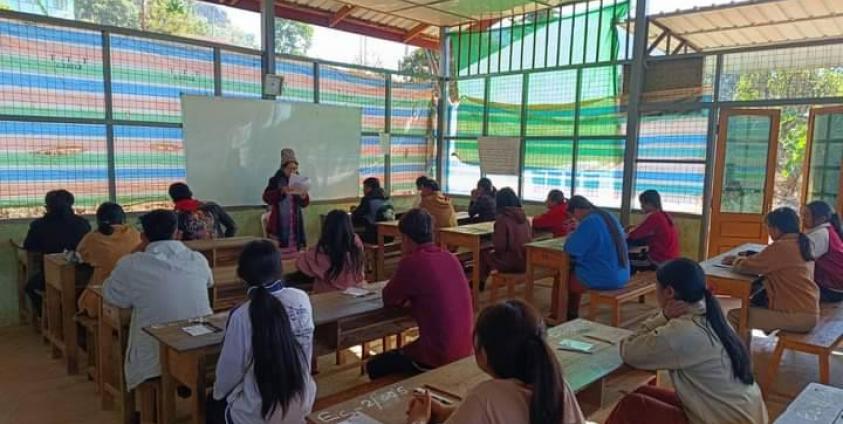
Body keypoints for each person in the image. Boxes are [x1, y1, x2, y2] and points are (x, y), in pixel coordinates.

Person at [606, 258, 767, 424]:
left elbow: (629, 351)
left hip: (723, 419)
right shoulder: (713, 316)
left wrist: (663, 317)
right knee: (640, 392)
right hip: (740, 414)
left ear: (669, 292)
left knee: (632, 406)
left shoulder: (683, 331)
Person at [406, 300, 585, 424]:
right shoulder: (557, 385)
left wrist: (418, 420)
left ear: (483, 354)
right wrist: (448, 411)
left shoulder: (486, 396)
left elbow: (492, 408)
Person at [103, 210, 213, 391]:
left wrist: (136, 251)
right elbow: (209, 282)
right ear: (177, 233)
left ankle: (151, 401)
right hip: (199, 346)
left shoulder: (131, 264)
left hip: (157, 358)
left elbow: (112, 295)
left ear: (143, 237)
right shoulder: (197, 259)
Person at [209, 240, 316, 424]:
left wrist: (217, 393)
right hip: (301, 400)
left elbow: (228, 374)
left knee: (212, 403)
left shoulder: (242, 315)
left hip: (258, 413)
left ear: (242, 276)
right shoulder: (301, 299)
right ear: (280, 269)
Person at [366, 209, 473, 379]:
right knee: (406, 351)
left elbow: (389, 298)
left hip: (438, 357)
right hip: (465, 347)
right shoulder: (450, 257)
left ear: (406, 238)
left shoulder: (412, 262)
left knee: (374, 366)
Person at [724, 207, 818, 336]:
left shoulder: (781, 246)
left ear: (776, 229)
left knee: (735, 316)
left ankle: (737, 349)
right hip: (808, 311)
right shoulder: (802, 243)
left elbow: (747, 267)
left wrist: (736, 260)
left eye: (768, 228)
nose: (768, 232)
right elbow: (764, 261)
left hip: (796, 316)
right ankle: (743, 347)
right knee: (750, 307)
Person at [23, 189, 91, 315]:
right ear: (71, 205)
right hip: (81, 277)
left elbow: (30, 250)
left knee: (30, 287)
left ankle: (47, 317)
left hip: (51, 277)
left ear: (47, 207)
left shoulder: (38, 225)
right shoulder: (82, 223)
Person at [563, 196, 630, 320]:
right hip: (621, 273)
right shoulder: (607, 215)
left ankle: (565, 315)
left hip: (604, 277)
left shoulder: (590, 222)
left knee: (563, 275)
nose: (575, 219)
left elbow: (571, 249)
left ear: (576, 210)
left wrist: (570, 235)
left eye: (573, 216)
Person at [76, 202, 142, 318]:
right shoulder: (135, 234)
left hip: (101, 300)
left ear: (98, 220)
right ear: (123, 218)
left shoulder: (92, 238)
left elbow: (79, 256)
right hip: (134, 298)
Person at [296, 210, 365, 293]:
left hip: (326, 294)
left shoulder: (321, 250)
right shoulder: (355, 243)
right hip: (354, 291)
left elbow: (301, 264)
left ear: (326, 227)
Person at [480, 188, 531, 283]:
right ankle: (483, 281)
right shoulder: (525, 219)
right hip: (525, 261)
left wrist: (493, 238)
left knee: (482, 253)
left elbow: (499, 247)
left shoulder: (502, 220)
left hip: (510, 263)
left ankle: (479, 282)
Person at [263, 148, 310, 251]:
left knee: (295, 253)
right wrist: (281, 191)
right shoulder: (275, 180)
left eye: (295, 168)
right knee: (281, 254)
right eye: (290, 168)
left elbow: (304, 204)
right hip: (278, 226)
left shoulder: (299, 181)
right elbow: (266, 197)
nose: (293, 171)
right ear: (283, 168)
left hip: (295, 225)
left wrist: (303, 196)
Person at [626, 190, 680, 270]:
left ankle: (627, 278)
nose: (641, 206)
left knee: (625, 260)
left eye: (643, 203)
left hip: (659, 259)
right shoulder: (665, 215)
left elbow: (634, 235)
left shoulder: (655, 217)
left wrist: (624, 232)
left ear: (650, 203)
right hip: (671, 258)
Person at [802, 201, 843, 302]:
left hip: (831, 288)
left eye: (807, 215)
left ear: (822, 219)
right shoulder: (826, 230)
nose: (803, 218)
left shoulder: (821, 234)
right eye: (803, 215)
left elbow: (801, 258)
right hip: (836, 284)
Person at [168, 182, 237, 241]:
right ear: (190, 193)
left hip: (192, 251)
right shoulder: (212, 206)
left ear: (173, 198)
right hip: (218, 249)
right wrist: (223, 242)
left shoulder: (174, 215)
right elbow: (233, 226)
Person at [351, 177, 395, 244]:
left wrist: (354, 211)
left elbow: (356, 217)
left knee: (350, 236)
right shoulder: (388, 198)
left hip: (375, 237)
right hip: (390, 237)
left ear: (369, 188)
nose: (363, 190)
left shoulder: (368, 199)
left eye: (364, 188)